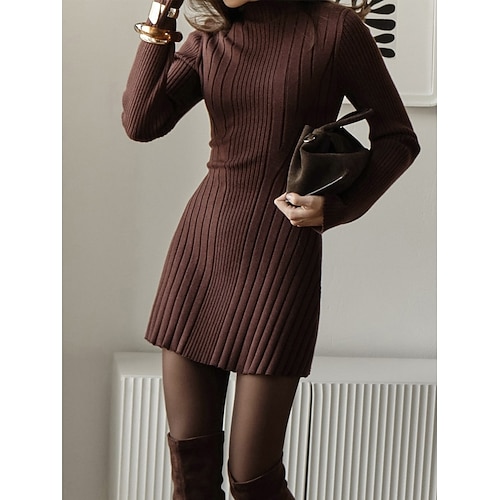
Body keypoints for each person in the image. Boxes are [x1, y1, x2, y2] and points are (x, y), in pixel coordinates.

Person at [122, 0, 420, 498]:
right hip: (201, 254)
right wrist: (160, 16)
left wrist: (339, 207)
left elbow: (398, 138)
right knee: (191, 477)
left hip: (281, 259)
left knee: (253, 482)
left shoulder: (335, 30)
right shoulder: (209, 39)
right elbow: (141, 122)